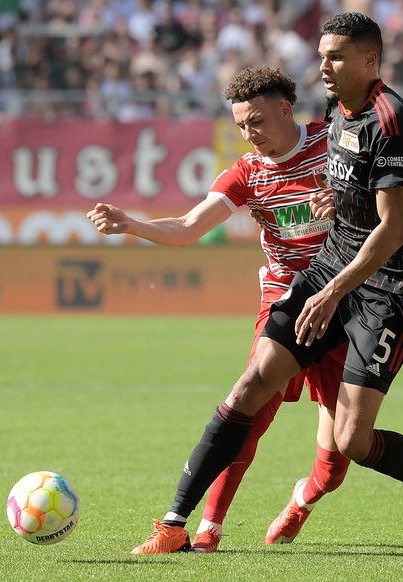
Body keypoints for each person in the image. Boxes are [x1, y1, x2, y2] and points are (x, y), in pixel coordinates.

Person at [129, 12, 403, 555]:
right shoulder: (337, 114)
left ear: (370, 60)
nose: (324, 67)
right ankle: (179, 523)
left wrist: (335, 291)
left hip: (381, 292)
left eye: (335, 57)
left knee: (350, 445)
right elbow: (349, 194)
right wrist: (333, 203)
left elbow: (396, 225)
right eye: (321, 56)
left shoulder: (390, 120)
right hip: (322, 275)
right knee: (250, 389)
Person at [87, 66, 350, 553]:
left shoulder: (333, 144)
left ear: (285, 110)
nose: (249, 135)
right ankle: (204, 528)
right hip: (285, 301)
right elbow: (189, 226)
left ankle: (304, 497)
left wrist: (344, 202)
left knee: (337, 462)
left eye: (256, 122)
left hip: (343, 300)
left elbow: (385, 198)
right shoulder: (247, 172)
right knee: (249, 408)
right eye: (241, 126)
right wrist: (131, 224)